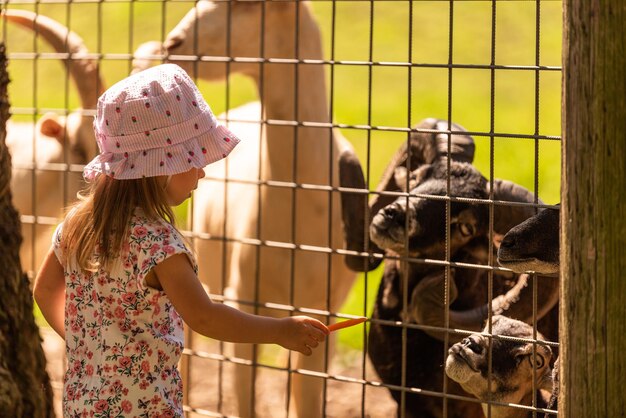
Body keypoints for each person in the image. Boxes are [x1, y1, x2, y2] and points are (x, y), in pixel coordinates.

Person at [33, 63, 329, 417]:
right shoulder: (160, 246)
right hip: (146, 407)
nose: (202, 169)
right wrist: (281, 331)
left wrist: (89, 346)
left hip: (84, 403)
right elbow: (204, 318)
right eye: (193, 157)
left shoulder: (78, 224)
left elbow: (44, 290)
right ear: (160, 166)